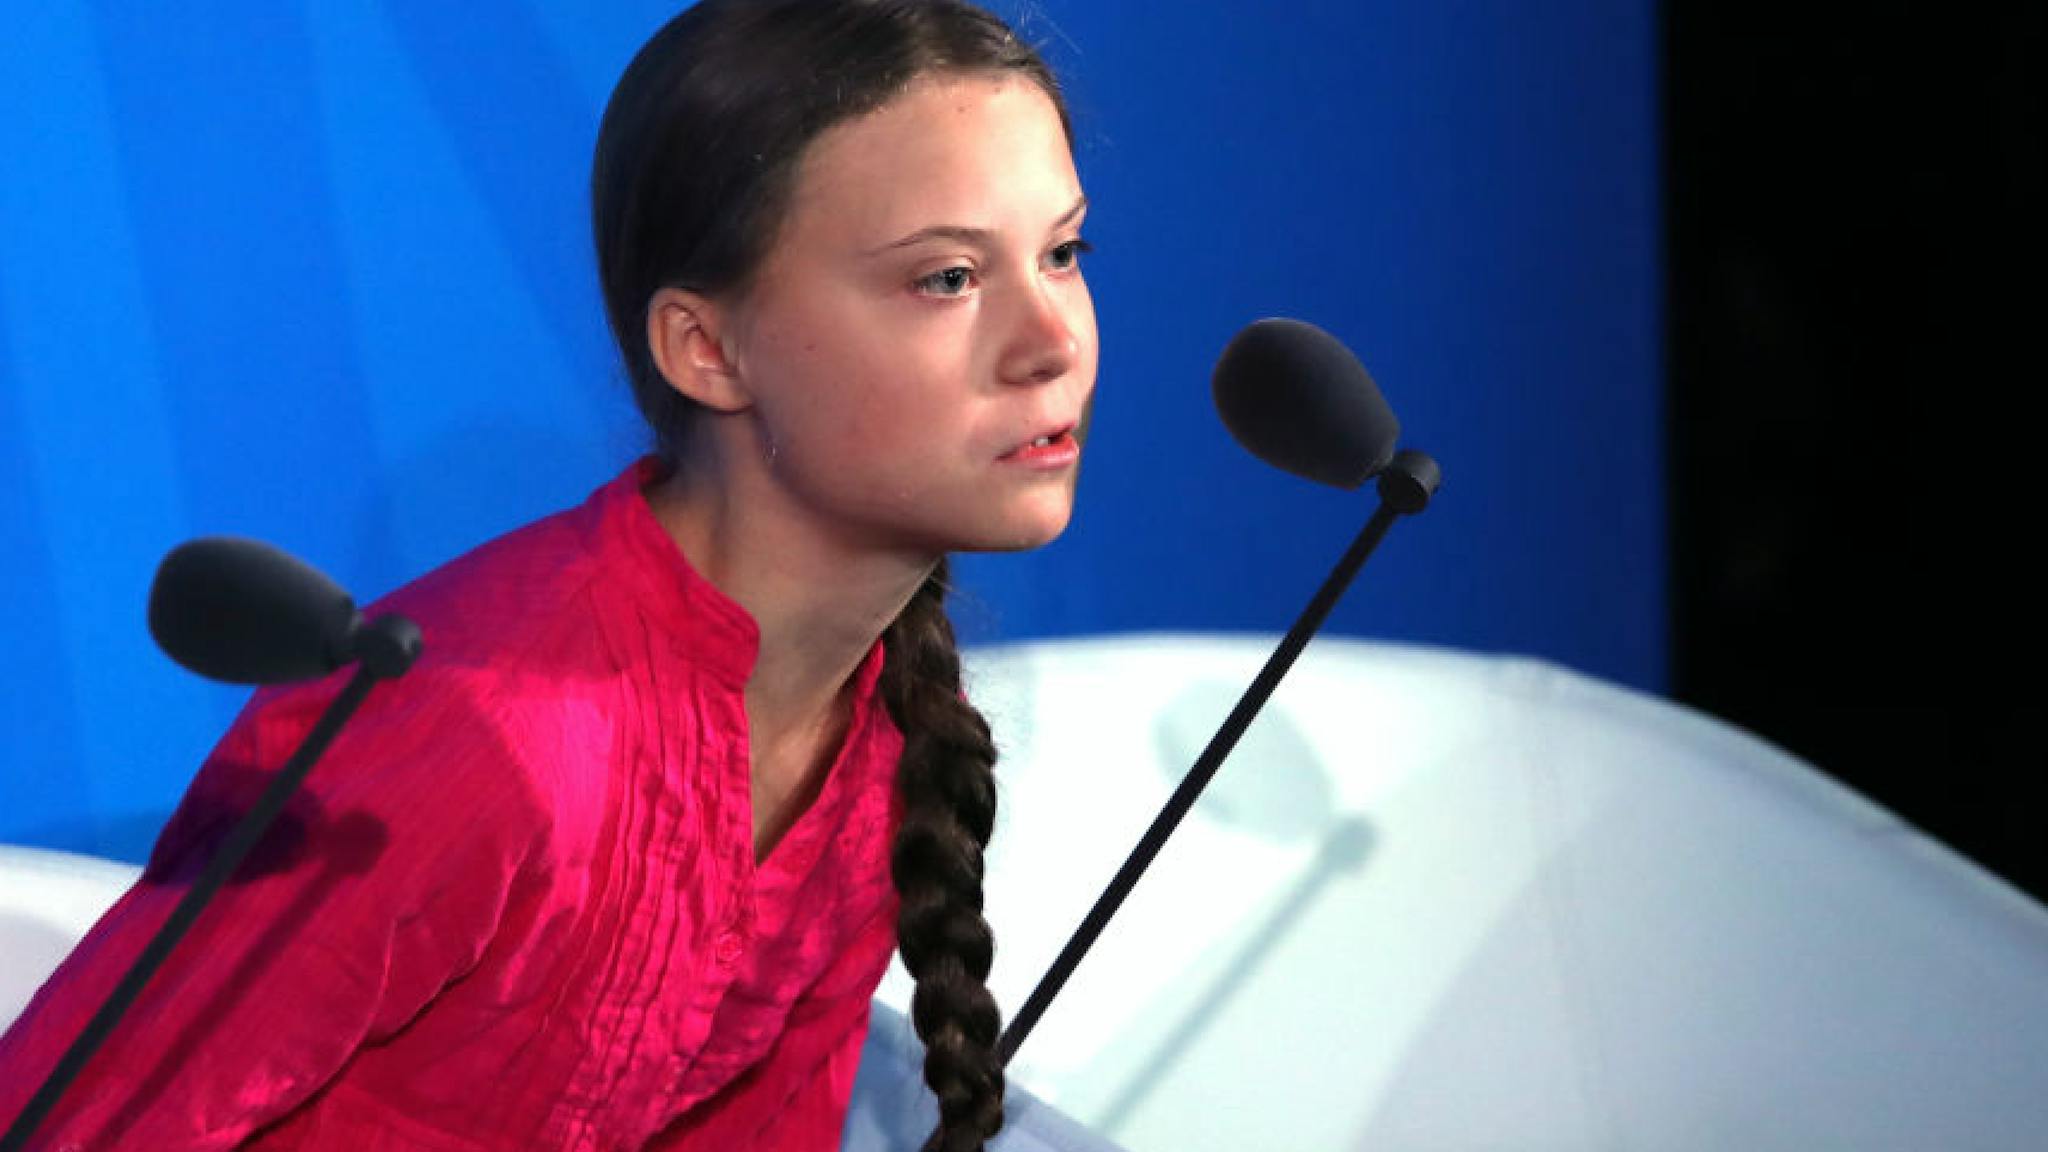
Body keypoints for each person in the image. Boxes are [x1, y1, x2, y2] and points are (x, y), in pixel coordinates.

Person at [0, 1, 1097, 1148]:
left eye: (1062, 253)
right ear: (706, 350)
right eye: (946, 278)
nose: (1052, 339)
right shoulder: (485, 742)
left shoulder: (884, 741)